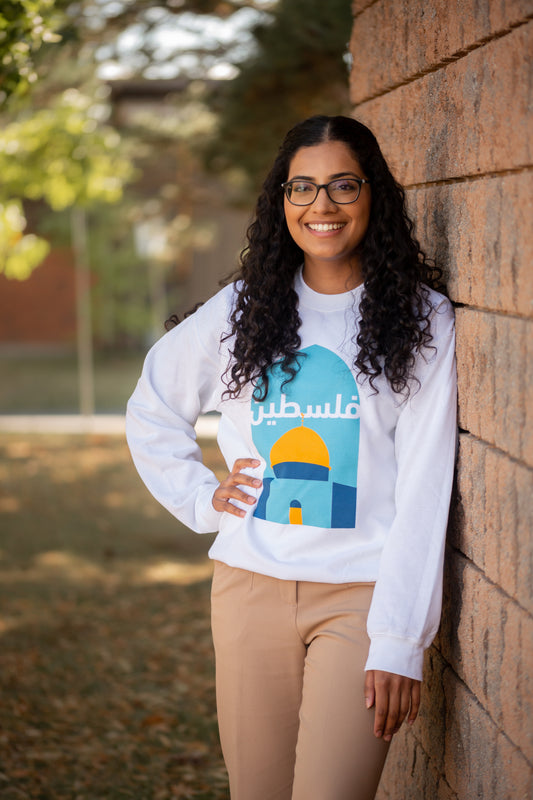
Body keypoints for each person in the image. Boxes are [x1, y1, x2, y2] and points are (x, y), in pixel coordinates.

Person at [126, 114, 457, 800]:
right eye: (300, 188)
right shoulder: (243, 311)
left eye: (342, 185)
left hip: (361, 599)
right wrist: (198, 496)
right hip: (250, 587)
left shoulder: (422, 321)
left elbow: (426, 488)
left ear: (374, 196)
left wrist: (398, 639)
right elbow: (152, 407)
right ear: (280, 202)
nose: (321, 206)